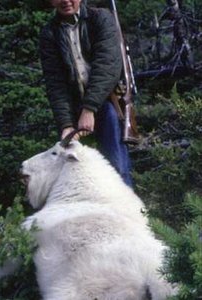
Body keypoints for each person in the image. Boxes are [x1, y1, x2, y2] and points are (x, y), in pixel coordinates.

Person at [39, 0, 133, 186]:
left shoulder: (101, 19)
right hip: (74, 109)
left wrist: (89, 108)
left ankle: (128, 213)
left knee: (117, 168)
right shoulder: (49, 33)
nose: (65, 1)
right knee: (75, 177)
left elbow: (107, 67)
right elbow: (56, 83)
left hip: (107, 102)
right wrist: (66, 124)